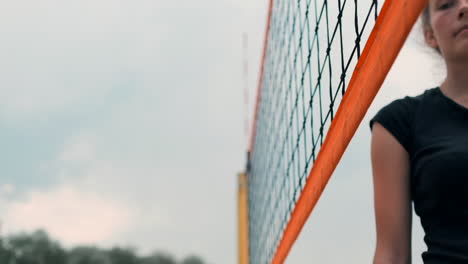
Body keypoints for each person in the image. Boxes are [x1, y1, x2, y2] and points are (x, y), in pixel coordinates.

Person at [369, 1, 468, 263]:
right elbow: (392, 254)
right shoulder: (399, 122)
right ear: (430, 35)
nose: (464, 7)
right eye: (446, 4)